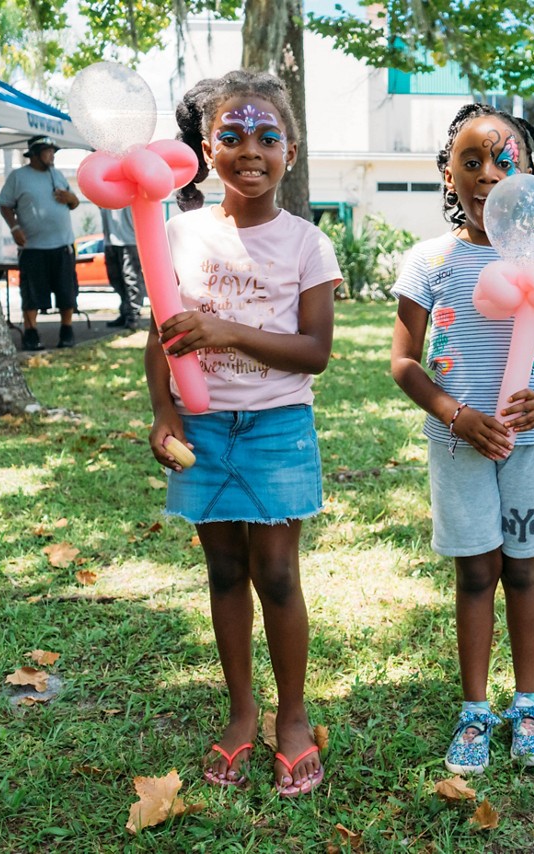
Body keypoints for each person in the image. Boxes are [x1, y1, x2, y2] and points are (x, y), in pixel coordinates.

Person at [149, 70, 342, 798]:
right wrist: (163, 409)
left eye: (267, 137)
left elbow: (316, 352)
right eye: (231, 136)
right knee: (224, 571)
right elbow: (161, 333)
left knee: (278, 574)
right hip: (200, 426)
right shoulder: (182, 232)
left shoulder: (306, 245)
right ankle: (241, 712)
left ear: (289, 151)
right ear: (207, 148)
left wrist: (225, 328)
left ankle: (291, 718)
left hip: (276, 427)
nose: (250, 150)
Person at [390, 103, 534, 774]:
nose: (488, 173)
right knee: (476, 573)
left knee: (523, 571)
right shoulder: (430, 262)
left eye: (505, 160)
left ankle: (527, 703)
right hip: (458, 445)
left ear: (531, 176)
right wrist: (455, 414)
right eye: (471, 161)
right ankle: (475, 713)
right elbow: (403, 363)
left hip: (533, 444)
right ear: (447, 175)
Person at [0, 135, 81, 351]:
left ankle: (67, 331)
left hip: (62, 245)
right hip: (33, 247)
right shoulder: (18, 177)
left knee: (66, 291)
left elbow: (74, 202)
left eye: (53, 151)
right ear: (34, 154)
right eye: (48, 151)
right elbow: (5, 205)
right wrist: (14, 228)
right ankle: (31, 333)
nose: (52, 155)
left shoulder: (58, 174)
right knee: (32, 293)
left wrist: (70, 199)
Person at [101, 206, 143, 328]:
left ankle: (133, 315)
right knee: (115, 280)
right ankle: (125, 312)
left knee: (131, 279)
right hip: (110, 241)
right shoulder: (106, 187)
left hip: (130, 240)